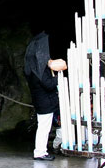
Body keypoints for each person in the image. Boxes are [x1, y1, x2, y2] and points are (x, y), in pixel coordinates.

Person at [24, 31, 67, 161]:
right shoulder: (39, 71)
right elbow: (48, 85)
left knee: (43, 127)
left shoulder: (33, 70)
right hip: (45, 104)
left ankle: (41, 151)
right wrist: (59, 76)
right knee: (44, 128)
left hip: (42, 103)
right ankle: (40, 152)